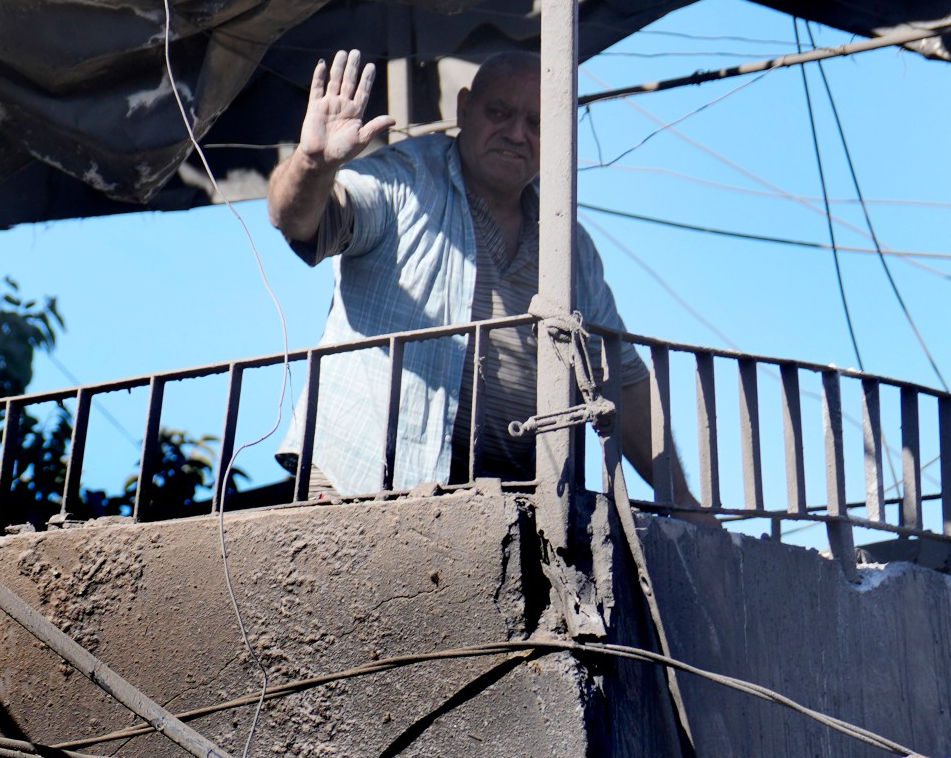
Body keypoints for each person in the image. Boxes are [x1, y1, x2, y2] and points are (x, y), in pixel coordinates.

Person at [266, 48, 696, 504]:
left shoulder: (569, 247)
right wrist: (313, 163)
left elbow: (621, 379)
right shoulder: (405, 179)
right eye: (499, 112)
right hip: (362, 491)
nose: (516, 133)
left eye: (536, 124)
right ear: (464, 108)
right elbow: (299, 221)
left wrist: (686, 504)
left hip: (512, 507)